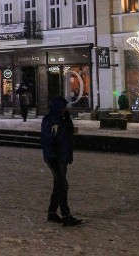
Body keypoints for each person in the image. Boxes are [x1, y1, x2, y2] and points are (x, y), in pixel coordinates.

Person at [41, 96, 83, 226]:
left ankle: (52, 213)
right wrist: (51, 157)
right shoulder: (51, 120)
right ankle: (66, 215)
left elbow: (68, 136)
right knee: (62, 185)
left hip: (62, 156)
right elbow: (47, 141)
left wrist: (68, 120)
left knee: (59, 185)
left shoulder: (62, 119)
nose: (66, 108)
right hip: (56, 157)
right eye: (64, 106)